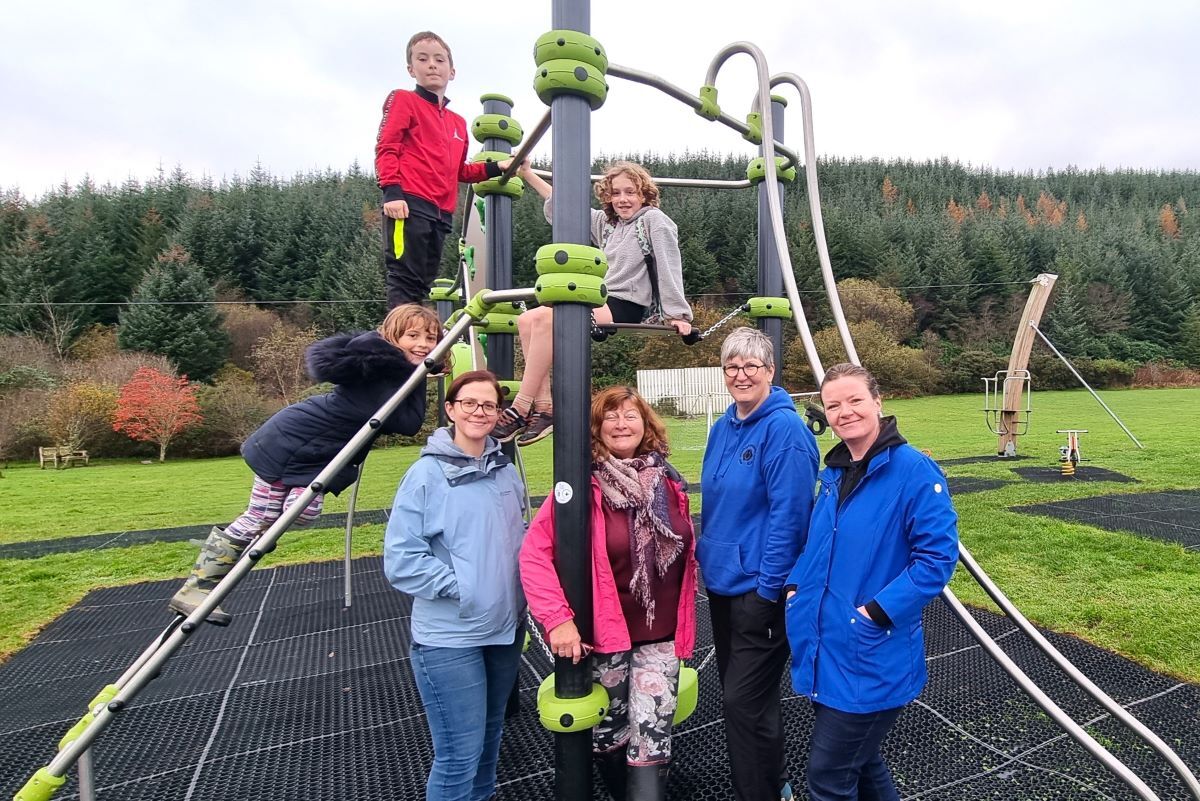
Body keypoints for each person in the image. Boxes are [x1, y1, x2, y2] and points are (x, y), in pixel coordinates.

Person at [168, 303, 439, 625]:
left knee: (302, 512)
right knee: (262, 515)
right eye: (413, 335)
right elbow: (407, 421)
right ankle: (195, 588)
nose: (423, 344)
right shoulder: (378, 363)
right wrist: (422, 372)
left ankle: (232, 557)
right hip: (293, 441)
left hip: (316, 451)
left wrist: (423, 370)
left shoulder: (398, 373)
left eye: (432, 338)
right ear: (392, 337)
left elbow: (408, 421)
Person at [784, 363, 959, 801]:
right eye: (834, 405)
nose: (845, 412)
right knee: (862, 764)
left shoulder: (914, 472)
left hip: (869, 651)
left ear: (878, 402)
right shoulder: (834, 474)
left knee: (828, 777)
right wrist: (795, 587)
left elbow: (936, 559)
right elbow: (816, 544)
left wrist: (875, 612)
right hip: (826, 645)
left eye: (855, 400)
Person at [520, 386, 697, 801]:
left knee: (652, 733)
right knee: (611, 730)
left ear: (645, 424)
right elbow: (533, 555)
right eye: (610, 416)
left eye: (630, 414)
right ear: (597, 429)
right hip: (605, 637)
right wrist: (558, 619)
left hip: (661, 635)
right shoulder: (583, 488)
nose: (621, 423)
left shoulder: (667, 483)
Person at [383, 370, 527, 801]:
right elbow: (402, 560)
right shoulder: (425, 476)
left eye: (489, 405)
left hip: (504, 632)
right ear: (450, 409)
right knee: (458, 754)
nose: (479, 412)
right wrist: (466, 588)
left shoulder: (505, 471)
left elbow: (518, 537)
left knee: (488, 742)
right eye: (469, 403)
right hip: (451, 638)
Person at [490, 161, 695, 447]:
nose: (623, 199)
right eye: (616, 193)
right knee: (528, 320)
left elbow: (669, 263)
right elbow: (565, 209)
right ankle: (545, 406)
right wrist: (527, 173)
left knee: (551, 319)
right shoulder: (608, 225)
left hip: (629, 302)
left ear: (644, 194)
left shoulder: (653, 221)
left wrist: (677, 314)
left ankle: (521, 406)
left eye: (630, 192)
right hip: (599, 298)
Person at [698, 327, 819, 801]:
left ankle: (763, 792)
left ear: (770, 371)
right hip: (724, 585)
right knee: (745, 702)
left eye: (752, 366)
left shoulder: (784, 431)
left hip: (760, 590)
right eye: (732, 366)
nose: (741, 374)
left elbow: (791, 518)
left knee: (742, 702)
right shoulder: (724, 426)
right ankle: (770, 783)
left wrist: (770, 592)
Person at [376, 31, 517, 308]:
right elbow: (386, 146)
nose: (432, 65)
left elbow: (460, 171)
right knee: (405, 279)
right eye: (423, 59)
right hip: (409, 203)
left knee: (422, 282)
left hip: (441, 212)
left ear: (451, 71)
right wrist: (392, 192)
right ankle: (398, 346)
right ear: (411, 68)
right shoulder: (404, 100)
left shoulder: (457, 122)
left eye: (439, 60)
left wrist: (497, 167)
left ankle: (412, 343)